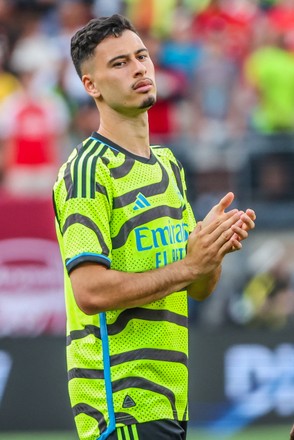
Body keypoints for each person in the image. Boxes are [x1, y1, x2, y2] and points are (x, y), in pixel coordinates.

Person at [52, 14, 256, 440]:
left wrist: (210, 251)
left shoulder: (167, 165)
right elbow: (89, 292)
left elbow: (197, 287)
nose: (140, 68)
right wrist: (187, 268)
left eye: (142, 56)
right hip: (120, 408)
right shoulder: (88, 172)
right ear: (91, 86)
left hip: (170, 400)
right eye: (120, 63)